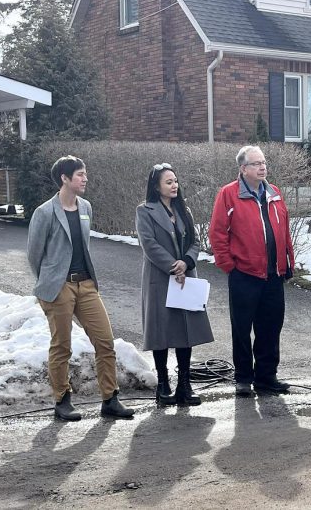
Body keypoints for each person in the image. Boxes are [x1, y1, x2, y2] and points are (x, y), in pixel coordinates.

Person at [27, 155, 134, 421]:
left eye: (85, 174)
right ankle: (62, 400)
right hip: (59, 286)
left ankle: (110, 399)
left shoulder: (85, 207)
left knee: (105, 341)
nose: (85, 179)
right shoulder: (45, 212)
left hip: (86, 283)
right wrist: (50, 283)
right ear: (64, 178)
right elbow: (34, 255)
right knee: (61, 346)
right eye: (80, 175)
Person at [209, 145, 295, 397]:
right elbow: (217, 233)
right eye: (256, 163)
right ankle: (243, 378)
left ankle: (267, 377)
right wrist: (228, 266)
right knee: (242, 328)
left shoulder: (274, 193)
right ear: (243, 168)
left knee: (270, 327)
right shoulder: (229, 194)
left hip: (273, 275)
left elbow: (284, 230)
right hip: (244, 274)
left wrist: (287, 261)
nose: (262, 167)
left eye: (264, 162)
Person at [135, 163, 214, 406]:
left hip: (185, 276)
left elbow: (195, 240)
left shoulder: (184, 210)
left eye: (175, 181)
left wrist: (186, 262)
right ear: (156, 187)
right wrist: (173, 265)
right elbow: (148, 244)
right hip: (160, 277)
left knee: (185, 330)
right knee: (161, 331)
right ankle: (162, 384)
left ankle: (184, 384)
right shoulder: (145, 211)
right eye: (168, 182)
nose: (174, 185)